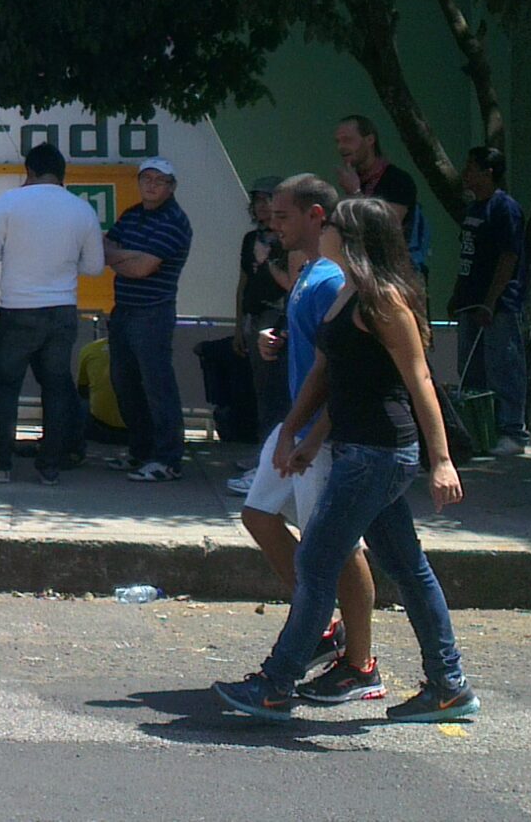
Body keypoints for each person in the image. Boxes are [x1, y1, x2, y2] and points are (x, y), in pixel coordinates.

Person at [214, 195, 478, 724]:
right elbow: (327, 374)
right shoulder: (345, 291)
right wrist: (302, 435)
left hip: (380, 452)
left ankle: (276, 683)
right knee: (406, 566)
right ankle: (448, 686)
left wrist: (442, 461)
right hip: (355, 447)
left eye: (333, 224)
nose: (325, 229)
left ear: (352, 236)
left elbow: (420, 380)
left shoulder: (384, 301)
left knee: (317, 561)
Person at [236, 174, 380, 703]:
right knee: (258, 515)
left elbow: (339, 365)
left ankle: (361, 663)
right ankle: (319, 625)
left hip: (321, 429)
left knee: (341, 548)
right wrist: (278, 339)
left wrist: (313, 434)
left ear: (316, 216)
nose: (273, 225)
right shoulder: (309, 273)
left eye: (283, 216)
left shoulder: (331, 279)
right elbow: (316, 345)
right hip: (296, 422)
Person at [0, 143, 104, 484]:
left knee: (6, 387)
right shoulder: (82, 209)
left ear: (29, 171)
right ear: (62, 174)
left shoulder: (9, 201)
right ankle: (50, 467)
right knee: (56, 387)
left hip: (17, 308)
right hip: (62, 309)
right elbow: (94, 266)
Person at [103, 156, 193, 481]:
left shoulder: (174, 221)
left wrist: (120, 258)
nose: (151, 185)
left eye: (159, 181)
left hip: (153, 312)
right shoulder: (131, 214)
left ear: (171, 186)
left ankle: (168, 459)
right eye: (146, 179)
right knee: (124, 383)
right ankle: (140, 451)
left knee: (158, 386)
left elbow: (142, 268)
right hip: (123, 310)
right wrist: (128, 256)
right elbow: (104, 248)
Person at [451, 146, 530, 456]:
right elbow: (468, 256)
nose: (465, 173)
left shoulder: (504, 208)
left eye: (472, 167)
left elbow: (508, 256)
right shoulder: (474, 208)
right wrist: (458, 294)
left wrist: (491, 301)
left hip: (498, 304)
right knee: (470, 369)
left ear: (489, 172)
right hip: (469, 300)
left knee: (504, 366)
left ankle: (512, 431)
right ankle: (480, 430)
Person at [232, 177, 293, 474]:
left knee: (276, 390)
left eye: (269, 200)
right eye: (257, 201)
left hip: (276, 316)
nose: (262, 207)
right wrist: (238, 326)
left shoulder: (287, 240)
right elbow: (243, 282)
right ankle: (263, 450)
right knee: (261, 390)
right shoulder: (249, 239)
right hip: (253, 316)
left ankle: (273, 456)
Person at [335, 114, 428, 279]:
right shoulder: (355, 179)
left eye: (348, 140)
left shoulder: (396, 179)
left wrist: (355, 193)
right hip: (362, 273)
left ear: (370, 140)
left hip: (393, 275)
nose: (341, 147)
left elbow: (385, 227)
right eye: (338, 141)